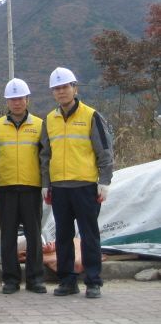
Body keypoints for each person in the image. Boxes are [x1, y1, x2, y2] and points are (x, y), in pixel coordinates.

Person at [40, 67, 113, 299]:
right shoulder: (49, 120)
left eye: (65, 87)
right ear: (53, 92)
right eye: (57, 88)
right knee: (62, 236)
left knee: (89, 235)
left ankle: (93, 281)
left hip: (85, 187)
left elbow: (105, 151)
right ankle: (68, 280)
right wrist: (46, 184)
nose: (61, 92)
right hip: (60, 188)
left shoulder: (91, 116)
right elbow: (45, 155)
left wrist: (105, 181)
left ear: (74, 89)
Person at [0, 78, 45, 295]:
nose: (16, 103)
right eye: (12, 99)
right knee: (8, 236)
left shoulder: (40, 125)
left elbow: (45, 158)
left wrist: (47, 184)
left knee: (34, 235)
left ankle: (35, 279)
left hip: (32, 187)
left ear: (27, 100)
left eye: (20, 98)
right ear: (7, 102)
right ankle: (10, 279)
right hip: (7, 187)